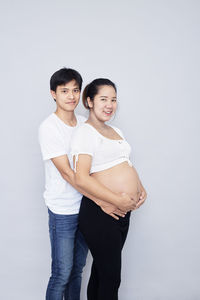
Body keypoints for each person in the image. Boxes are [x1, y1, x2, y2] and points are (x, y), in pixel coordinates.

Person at [38, 69, 133, 300]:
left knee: (78, 270)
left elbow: (100, 165)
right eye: (64, 91)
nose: (71, 96)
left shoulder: (84, 123)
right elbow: (70, 175)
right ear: (53, 94)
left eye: (75, 90)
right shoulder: (49, 127)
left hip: (85, 206)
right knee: (62, 272)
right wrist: (105, 201)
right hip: (63, 210)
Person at [71, 78, 147, 300]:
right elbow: (81, 178)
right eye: (103, 99)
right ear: (89, 102)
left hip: (122, 211)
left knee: (101, 273)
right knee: (111, 278)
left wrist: (140, 187)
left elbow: (125, 161)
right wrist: (116, 199)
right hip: (100, 212)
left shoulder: (116, 131)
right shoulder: (84, 133)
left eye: (113, 100)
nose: (109, 105)